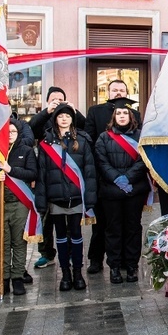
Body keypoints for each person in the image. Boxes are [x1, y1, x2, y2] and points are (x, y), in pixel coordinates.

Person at [35, 104, 97, 292]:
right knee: (60, 237)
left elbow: (90, 172)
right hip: (56, 199)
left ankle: (78, 273)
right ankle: (65, 274)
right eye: (60, 116)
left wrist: (90, 198)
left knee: (77, 236)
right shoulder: (46, 143)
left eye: (67, 116)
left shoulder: (83, 140)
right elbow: (42, 175)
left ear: (72, 119)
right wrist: (42, 201)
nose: (64, 119)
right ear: (55, 119)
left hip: (77, 198)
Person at [85, 80, 140, 275]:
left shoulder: (137, 116)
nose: (118, 93)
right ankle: (99, 260)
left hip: (133, 185)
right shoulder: (95, 112)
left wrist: (128, 178)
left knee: (131, 226)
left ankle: (129, 263)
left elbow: (142, 155)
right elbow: (90, 143)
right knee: (106, 226)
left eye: (122, 90)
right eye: (115, 90)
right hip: (106, 181)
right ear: (107, 92)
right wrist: (114, 177)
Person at [29, 86, 87, 269]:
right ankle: (46, 254)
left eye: (60, 99)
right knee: (45, 218)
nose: (57, 102)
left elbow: (85, 126)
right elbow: (32, 128)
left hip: (69, 178)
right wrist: (47, 112)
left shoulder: (69, 117)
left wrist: (72, 109)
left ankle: (70, 253)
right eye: (53, 99)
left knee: (69, 221)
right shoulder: (43, 119)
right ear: (47, 101)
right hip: (47, 176)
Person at [94, 98, 150, 284]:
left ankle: (132, 266)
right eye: (119, 113)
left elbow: (144, 160)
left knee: (133, 229)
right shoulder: (104, 138)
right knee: (113, 230)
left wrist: (128, 178)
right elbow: (101, 162)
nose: (122, 116)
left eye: (125, 113)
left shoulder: (141, 136)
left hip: (134, 190)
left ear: (131, 115)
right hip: (111, 192)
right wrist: (118, 179)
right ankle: (115, 267)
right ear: (114, 117)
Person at [0, 119, 38, 296]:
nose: (9, 135)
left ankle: (17, 278)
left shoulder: (26, 151)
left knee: (18, 242)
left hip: (19, 204)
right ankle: (3, 278)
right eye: (6, 132)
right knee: (1, 243)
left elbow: (32, 173)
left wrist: (11, 170)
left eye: (13, 132)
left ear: (18, 134)